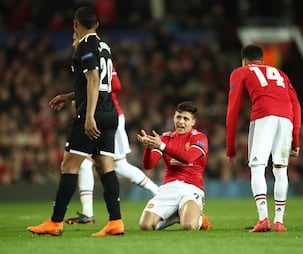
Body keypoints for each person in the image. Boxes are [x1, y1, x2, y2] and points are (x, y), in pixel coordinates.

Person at [27, 6, 124, 236]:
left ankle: (55, 222)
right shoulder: (104, 46)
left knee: (69, 165)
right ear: (97, 25)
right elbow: (100, 82)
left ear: (75, 24)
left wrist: (89, 116)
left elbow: (92, 79)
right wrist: (70, 96)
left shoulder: (85, 46)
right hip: (110, 112)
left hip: (93, 114)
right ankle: (115, 222)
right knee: (105, 167)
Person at [49, 33, 159, 225]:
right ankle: (89, 214)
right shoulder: (97, 53)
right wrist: (71, 97)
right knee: (85, 163)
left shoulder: (94, 54)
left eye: (74, 35)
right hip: (102, 113)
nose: (73, 38)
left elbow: (113, 84)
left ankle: (158, 192)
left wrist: (88, 109)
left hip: (103, 114)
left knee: (116, 165)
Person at [225, 44, 301, 232]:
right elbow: (296, 104)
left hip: (263, 116)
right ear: (262, 60)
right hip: (286, 119)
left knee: (257, 167)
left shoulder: (240, 72)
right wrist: (296, 138)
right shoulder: (280, 74)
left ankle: (263, 219)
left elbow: (233, 109)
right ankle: (279, 222)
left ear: (244, 60)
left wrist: (230, 147)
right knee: (281, 170)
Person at [136, 101, 211, 231]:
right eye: (178, 117)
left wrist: (161, 146)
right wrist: (148, 148)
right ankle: (177, 214)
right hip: (168, 188)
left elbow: (188, 158)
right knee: (145, 226)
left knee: (188, 226)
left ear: (193, 122)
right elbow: (148, 165)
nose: (181, 121)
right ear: (173, 118)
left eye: (186, 119)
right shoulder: (165, 138)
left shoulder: (199, 137)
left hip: (191, 188)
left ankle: (199, 218)